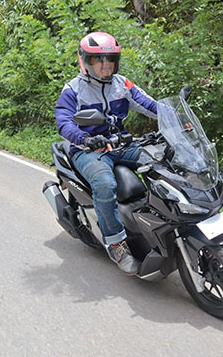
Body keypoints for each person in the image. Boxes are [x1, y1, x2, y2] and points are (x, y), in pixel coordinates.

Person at [55, 31, 157, 275]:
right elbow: (64, 122)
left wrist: (175, 115)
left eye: (110, 59)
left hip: (120, 143)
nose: (105, 65)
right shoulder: (73, 89)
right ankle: (116, 243)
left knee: (159, 160)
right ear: (85, 61)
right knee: (104, 183)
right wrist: (85, 138)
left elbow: (150, 105)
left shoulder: (122, 85)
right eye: (98, 60)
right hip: (88, 149)